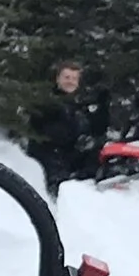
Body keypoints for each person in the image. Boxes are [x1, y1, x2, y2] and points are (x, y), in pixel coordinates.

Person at [27, 62, 105, 196]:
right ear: (58, 79)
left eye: (74, 78)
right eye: (67, 77)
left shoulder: (80, 105)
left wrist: (89, 141)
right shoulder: (48, 102)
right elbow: (45, 131)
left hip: (73, 157)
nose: (70, 82)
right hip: (50, 155)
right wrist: (74, 139)